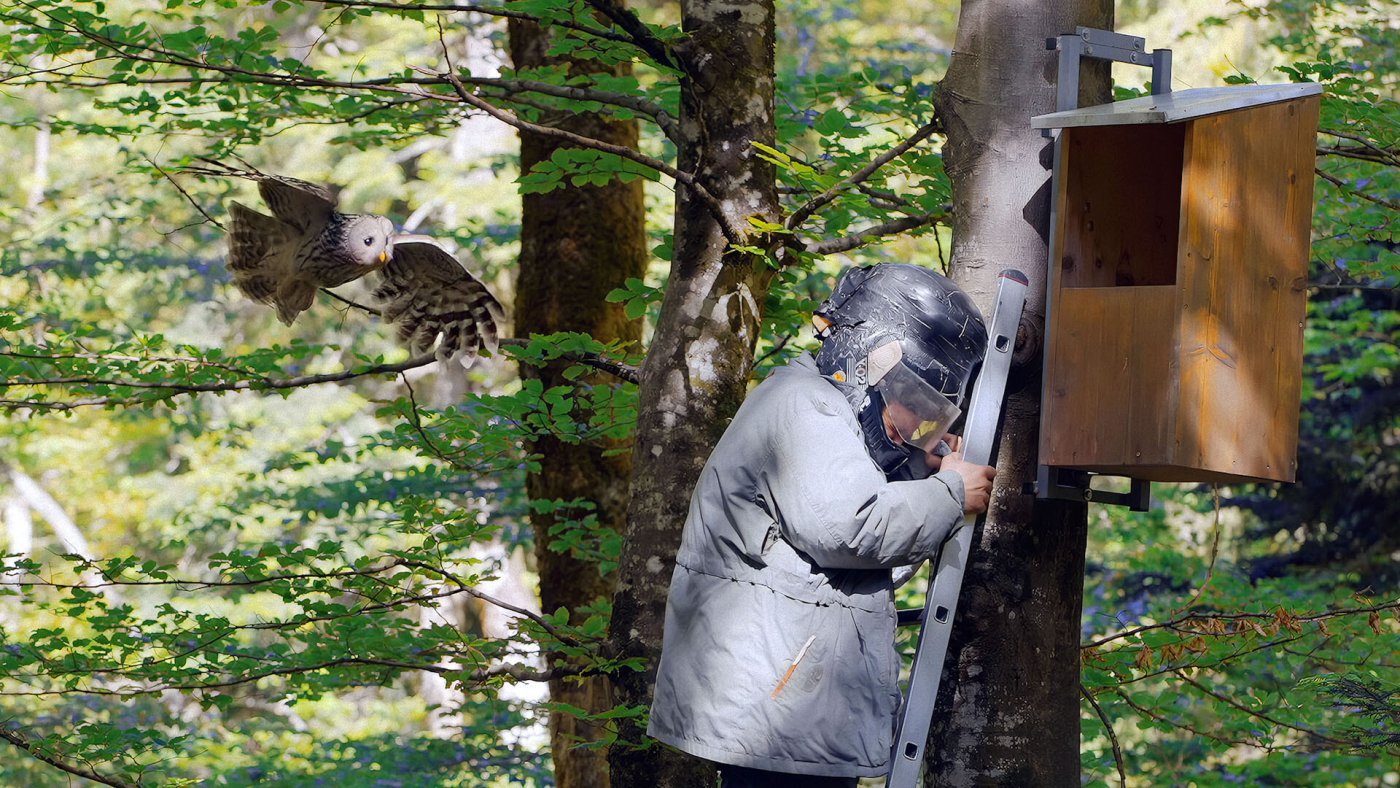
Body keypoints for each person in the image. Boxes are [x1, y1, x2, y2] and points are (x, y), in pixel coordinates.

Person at [647, 263, 999, 787]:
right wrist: (951, 493)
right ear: (867, 360)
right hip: (779, 712)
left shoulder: (812, 405)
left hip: (786, 710)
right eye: (909, 400)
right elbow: (852, 527)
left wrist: (916, 472)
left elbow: (841, 492)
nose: (912, 425)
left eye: (929, 411)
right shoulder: (806, 404)